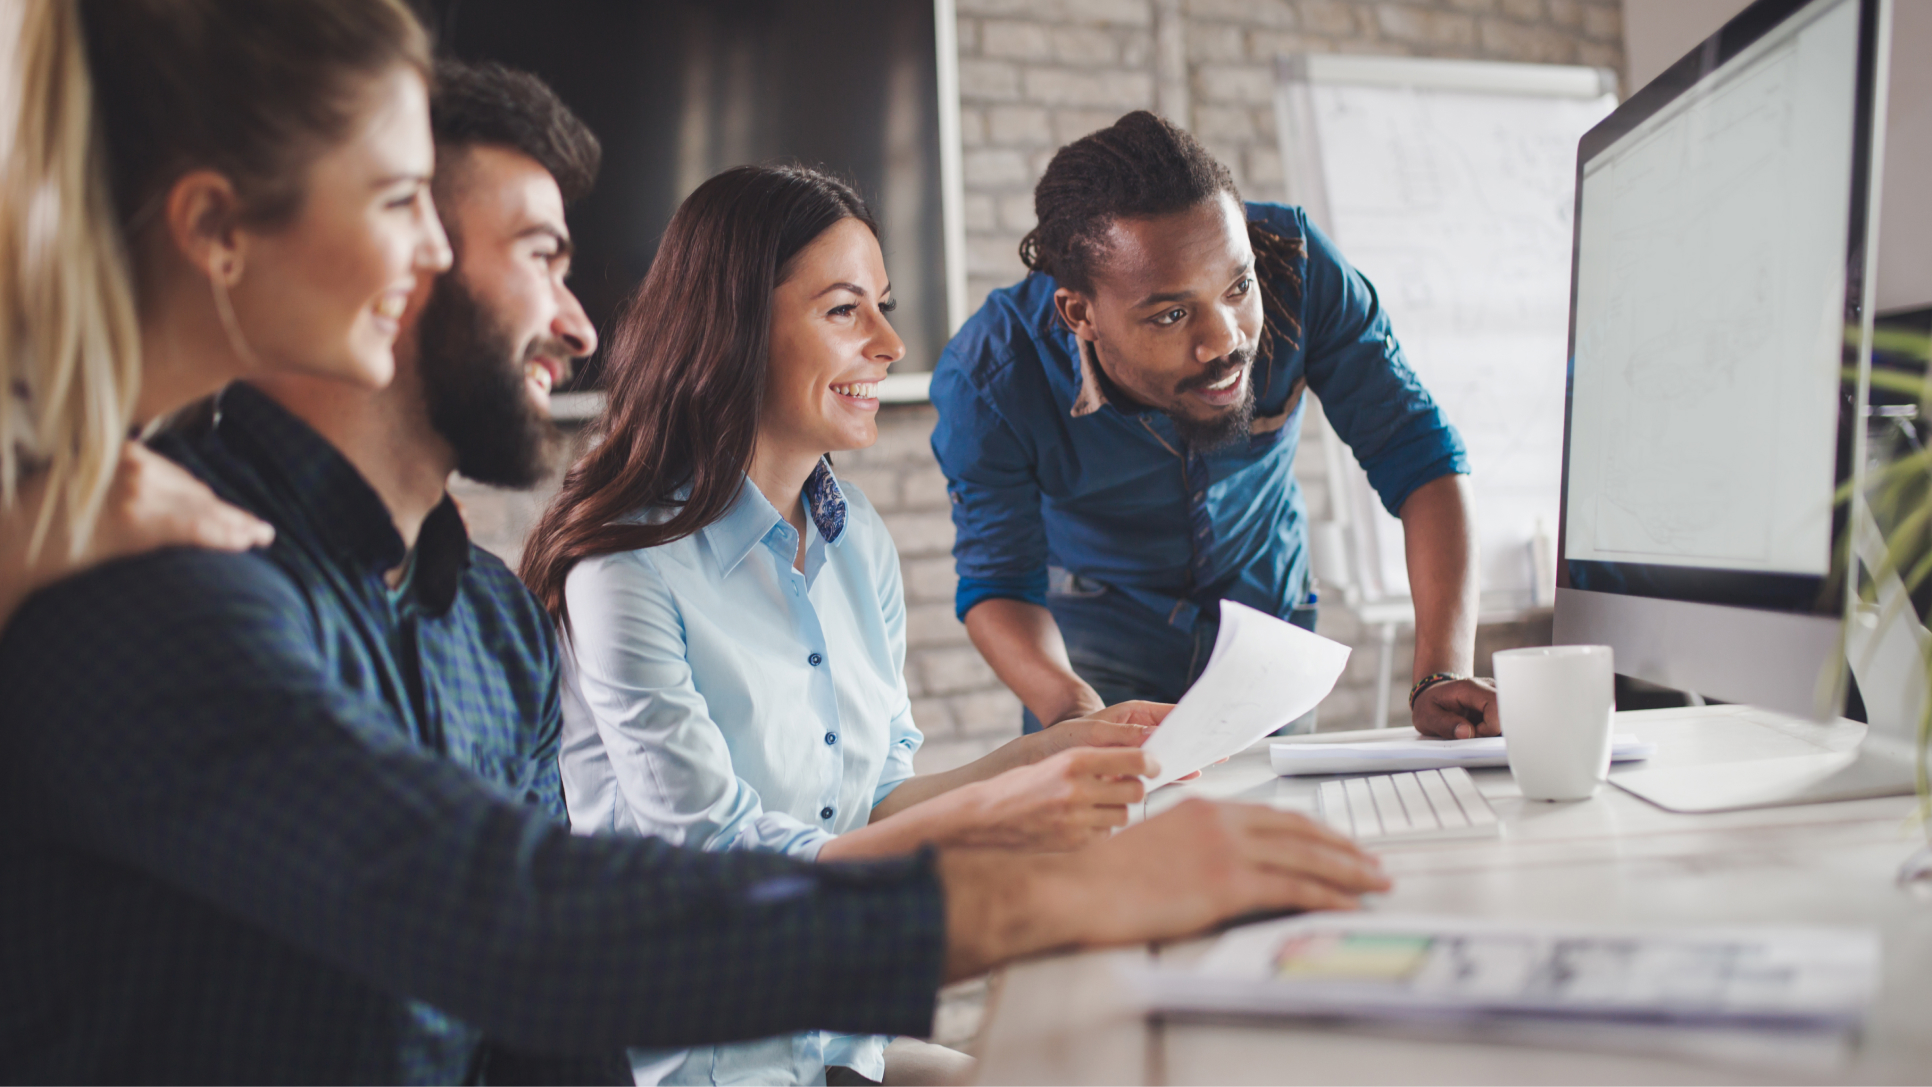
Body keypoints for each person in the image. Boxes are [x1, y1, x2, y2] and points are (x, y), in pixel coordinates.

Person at [0, 16, 1391, 1084]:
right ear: (217, 233)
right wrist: (1033, 887)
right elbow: (514, 914)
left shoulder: (478, 615)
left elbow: (527, 1013)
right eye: (397, 206)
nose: (576, 319)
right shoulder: (143, 583)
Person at [521, 164, 1171, 1087]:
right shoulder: (621, 573)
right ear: (735, 325)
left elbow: (873, 800)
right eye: (844, 311)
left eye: (885, 306)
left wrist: (1056, 753)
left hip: (836, 1042)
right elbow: (727, 866)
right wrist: (1002, 811)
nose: (891, 342)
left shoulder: (854, 538)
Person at [930, 111, 1500, 741]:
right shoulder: (991, 379)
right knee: (1116, 837)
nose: (1224, 342)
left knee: (1273, 829)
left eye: (1238, 286)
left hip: (1268, 623)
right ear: (1080, 313)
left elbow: (1423, 460)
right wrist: (1072, 713)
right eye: (1172, 314)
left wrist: (1439, 676)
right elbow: (998, 584)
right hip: (1095, 640)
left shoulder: (1299, 271)